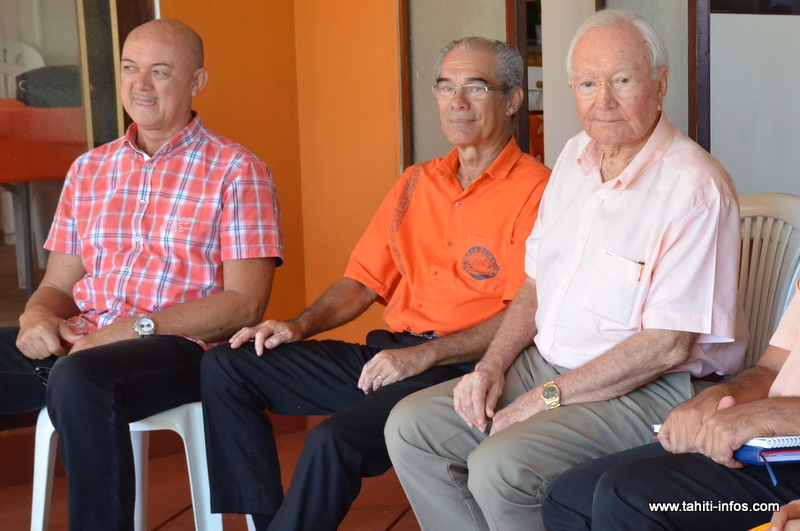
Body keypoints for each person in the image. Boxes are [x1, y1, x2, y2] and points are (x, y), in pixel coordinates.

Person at [384, 10, 746, 531]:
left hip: (649, 387)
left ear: (660, 84)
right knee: (412, 426)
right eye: (588, 83)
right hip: (548, 366)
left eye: (623, 80)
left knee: (502, 464)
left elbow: (667, 345)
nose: (604, 100)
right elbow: (537, 283)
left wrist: (543, 400)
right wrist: (491, 366)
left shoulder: (694, 188)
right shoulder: (575, 156)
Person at [200, 37, 550, 531]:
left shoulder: (539, 190)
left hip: (460, 371)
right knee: (229, 365)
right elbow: (362, 283)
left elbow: (525, 313)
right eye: (446, 87)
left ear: (513, 99)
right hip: (388, 357)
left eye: (475, 87)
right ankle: (265, 521)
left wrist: (426, 355)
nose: (457, 101)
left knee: (331, 441)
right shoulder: (416, 183)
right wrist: (298, 326)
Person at [0, 18, 282, 530]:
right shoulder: (90, 169)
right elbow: (59, 286)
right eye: (131, 69)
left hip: (178, 349)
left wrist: (128, 330)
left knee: (82, 381)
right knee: (67, 370)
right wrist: (37, 316)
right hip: (84, 339)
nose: (140, 85)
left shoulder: (238, 170)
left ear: (197, 82)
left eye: (159, 71)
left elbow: (244, 305)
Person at [541, 281, 800, 531]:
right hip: (769, 447)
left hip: (790, 465)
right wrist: (723, 393)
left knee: (630, 496)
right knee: (569, 497)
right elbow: (772, 367)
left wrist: (777, 413)